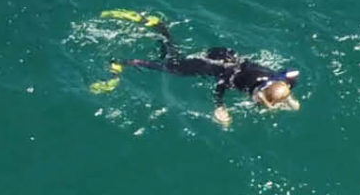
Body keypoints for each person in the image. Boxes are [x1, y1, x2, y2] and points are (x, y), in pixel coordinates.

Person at [92, 11, 300, 127]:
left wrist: (287, 97)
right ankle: (127, 60)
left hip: (227, 54)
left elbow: (292, 73)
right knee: (172, 66)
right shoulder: (245, 84)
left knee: (176, 58)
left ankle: (159, 28)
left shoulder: (283, 80)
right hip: (217, 65)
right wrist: (220, 107)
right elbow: (222, 83)